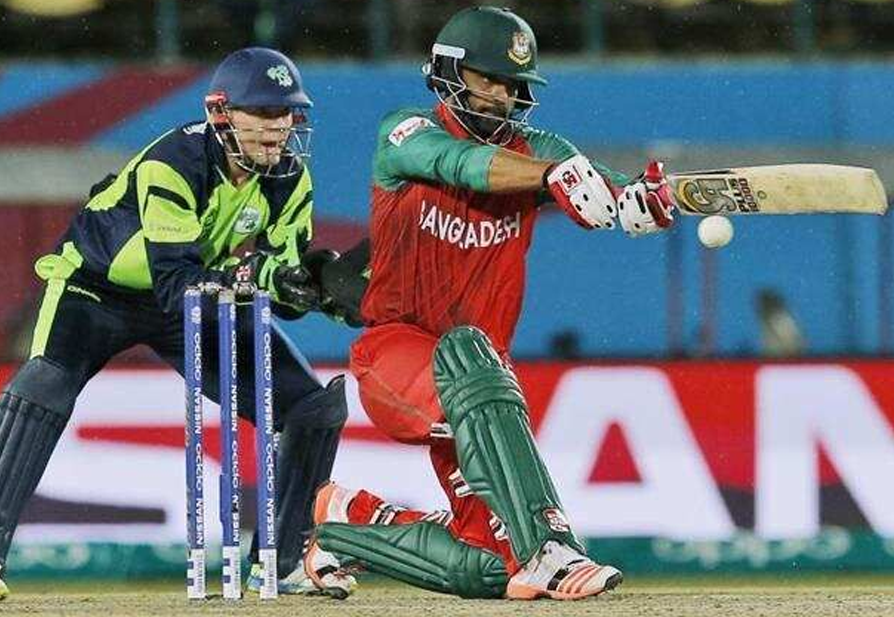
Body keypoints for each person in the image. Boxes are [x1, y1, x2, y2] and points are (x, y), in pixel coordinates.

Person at [302, 6, 676, 601]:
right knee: (467, 349)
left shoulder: (539, 149)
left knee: (488, 567)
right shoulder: (407, 133)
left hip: (483, 392)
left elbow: (593, 178)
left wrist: (634, 200)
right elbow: (459, 164)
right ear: (449, 73)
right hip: (397, 357)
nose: (502, 95)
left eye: (512, 84)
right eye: (488, 80)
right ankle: (551, 550)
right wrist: (551, 177)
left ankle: (346, 528)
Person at [0, 47, 356, 599]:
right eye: (263, 113)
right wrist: (260, 275)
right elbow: (175, 282)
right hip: (94, 290)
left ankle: (281, 561)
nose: (277, 127)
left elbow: (278, 289)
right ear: (222, 113)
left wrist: (314, 287)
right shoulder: (175, 162)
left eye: (287, 113)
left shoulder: (290, 179)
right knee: (42, 388)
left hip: (198, 291)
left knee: (312, 407)